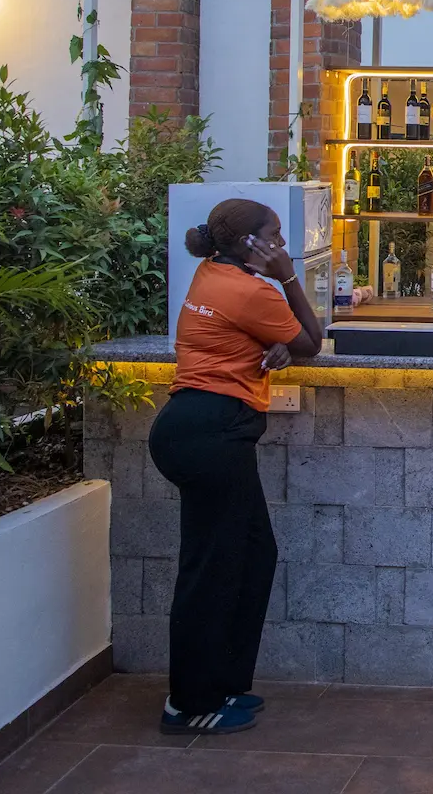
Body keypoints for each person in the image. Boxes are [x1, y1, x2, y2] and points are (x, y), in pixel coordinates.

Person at [147, 199, 323, 736]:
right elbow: (311, 342)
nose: (284, 245)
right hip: (209, 431)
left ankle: (223, 685)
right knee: (213, 566)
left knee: (251, 553)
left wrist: (276, 346)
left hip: (200, 428)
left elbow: (266, 337)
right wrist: (290, 279)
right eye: (276, 236)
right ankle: (189, 703)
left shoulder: (213, 272)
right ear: (252, 244)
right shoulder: (250, 289)